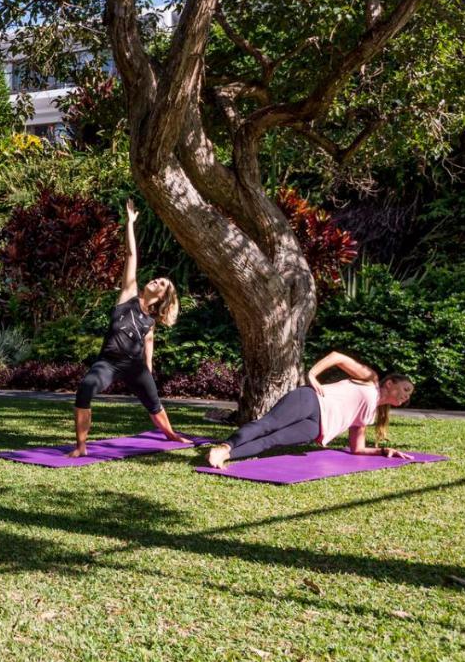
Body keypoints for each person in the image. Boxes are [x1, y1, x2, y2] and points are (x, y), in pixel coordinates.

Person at [73, 198, 188, 457]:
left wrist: (148, 368)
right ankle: (81, 446)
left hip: (134, 365)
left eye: (161, 284)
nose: (157, 281)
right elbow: (131, 255)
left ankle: (171, 434)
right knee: (86, 387)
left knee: (154, 403)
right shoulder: (128, 295)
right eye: (157, 279)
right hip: (109, 362)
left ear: (162, 297)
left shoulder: (150, 319)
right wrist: (130, 224)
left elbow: (148, 340)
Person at [206, 351, 415, 469]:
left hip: (316, 427)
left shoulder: (370, 414)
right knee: (267, 425)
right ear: (390, 384)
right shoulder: (371, 379)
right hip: (311, 400)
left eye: (409, 394)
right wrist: (313, 374)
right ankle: (225, 446)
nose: (407, 396)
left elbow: (357, 448)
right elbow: (338, 357)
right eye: (405, 389)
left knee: (272, 441)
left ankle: (226, 455)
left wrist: (383, 451)